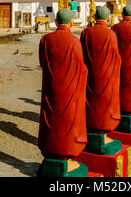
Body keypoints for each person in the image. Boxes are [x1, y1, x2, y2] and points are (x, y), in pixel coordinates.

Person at [38, 9, 88, 159]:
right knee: (68, 121)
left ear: (55, 22)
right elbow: (81, 68)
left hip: (51, 87)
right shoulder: (74, 41)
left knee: (51, 119)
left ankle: (49, 147)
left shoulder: (45, 40)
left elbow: (43, 63)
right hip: (70, 89)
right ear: (72, 22)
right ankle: (68, 150)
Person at [80, 6, 121, 133]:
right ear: (108, 19)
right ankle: (103, 127)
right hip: (107, 74)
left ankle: (91, 124)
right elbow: (116, 58)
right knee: (105, 103)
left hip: (91, 73)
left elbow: (83, 53)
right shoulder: (110, 34)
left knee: (91, 101)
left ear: (94, 17)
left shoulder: (86, 32)